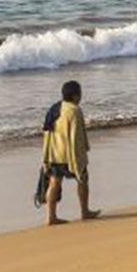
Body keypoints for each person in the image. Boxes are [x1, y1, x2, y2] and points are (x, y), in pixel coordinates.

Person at [40, 79, 99, 226]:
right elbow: (77, 136)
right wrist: (82, 154)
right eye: (80, 93)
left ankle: (51, 217)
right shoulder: (74, 110)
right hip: (69, 154)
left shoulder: (54, 108)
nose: (81, 96)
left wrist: (46, 156)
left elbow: (47, 133)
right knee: (83, 179)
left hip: (54, 153)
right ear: (75, 96)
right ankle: (85, 211)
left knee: (54, 183)